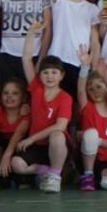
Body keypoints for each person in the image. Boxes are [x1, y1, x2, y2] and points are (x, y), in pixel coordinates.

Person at [14, 53, 72, 194]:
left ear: (62, 75)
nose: (49, 76)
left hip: (57, 146)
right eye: (45, 72)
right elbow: (26, 59)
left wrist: (31, 138)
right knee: (16, 164)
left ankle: (55, 176)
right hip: (38, 146)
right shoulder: (36, 89)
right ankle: (45, 171)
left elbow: (61, 126)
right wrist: (30, 36)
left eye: (54, 72)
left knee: (57, 135)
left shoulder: (65, 98)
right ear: (39, 76)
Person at [76, 48, 107, 191]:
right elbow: (80, 90)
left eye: (99, 86)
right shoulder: (87, 107)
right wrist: (85, 67)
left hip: (104, 160)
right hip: (85, 159)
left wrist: (98, 141)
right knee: (91, 133)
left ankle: (95, 179)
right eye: (91, 89)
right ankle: (88, 175)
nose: (95, 91)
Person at [0, 77, 30, 185]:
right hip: (3, 148)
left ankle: (22, 176)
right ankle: (5, 174)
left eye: (15, 93)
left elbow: (19, 135)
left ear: (23, 97)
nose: (9, 96)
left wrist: (7, 156)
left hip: (18, 146)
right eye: (6, 93)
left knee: (23, 145)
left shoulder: (26, 112)